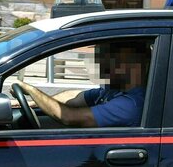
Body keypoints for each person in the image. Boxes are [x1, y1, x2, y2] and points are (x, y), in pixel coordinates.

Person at [13, 40, 151, 128]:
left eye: (109, 59)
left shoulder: (129, 105)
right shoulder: (113, 91)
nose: (100, 64)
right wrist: (33, 102)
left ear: (134, 65)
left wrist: (32, 90)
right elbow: (75, 96)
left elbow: (68, 117)